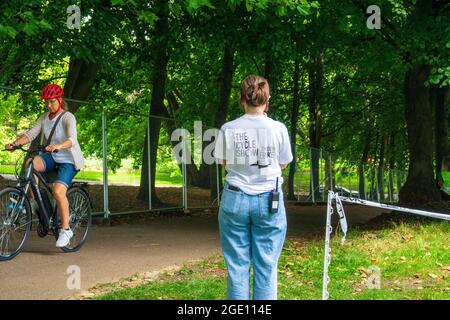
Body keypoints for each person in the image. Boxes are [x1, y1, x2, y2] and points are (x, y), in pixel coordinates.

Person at [213, 75, 293, 300]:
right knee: (266, 266)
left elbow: (223, 162)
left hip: (234, 198)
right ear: (267, 99)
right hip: (270, 200)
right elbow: (284, 162)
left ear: (242, 99)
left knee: (237, 267)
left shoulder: (229, 128)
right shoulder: (279, 128)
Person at [5, 83, 84, 247]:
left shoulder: (68, 117)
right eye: (46, 102)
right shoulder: (44, 117)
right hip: (51, 158)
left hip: (68, 160)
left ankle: (66, 229)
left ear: (60, 100)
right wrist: (14, 144)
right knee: (30, 163)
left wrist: (58, 146)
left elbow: (72, 140)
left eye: (52, 101)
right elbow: (30, 134)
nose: (48, 105)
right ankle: (32, 201)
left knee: (57, 191)